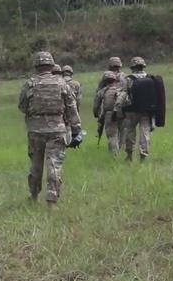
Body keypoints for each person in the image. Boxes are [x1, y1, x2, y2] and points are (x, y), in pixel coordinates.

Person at [18, 51, 82, 205]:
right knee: (54, 164)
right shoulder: (61, 84)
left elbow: (22, 106)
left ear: (36, 67)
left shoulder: (29, 84)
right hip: (57, 129)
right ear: (52, 65)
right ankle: (52, 198)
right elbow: (71, 108)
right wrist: (76, 130)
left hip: (36, 130)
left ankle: (34, 196)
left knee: (36, 165)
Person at [113, 57, 153, 162]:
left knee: (130, 132)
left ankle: (129, 155)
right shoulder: (149, 78)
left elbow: (123, 94)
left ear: (132, 67)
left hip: (132, 111)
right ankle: (143, 156)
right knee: (145, 133)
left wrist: (117, 108)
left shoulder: (129, 79)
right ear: (143, 66)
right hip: (146, 111)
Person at [93, 71, 123, 157]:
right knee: (121, 134)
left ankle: (115, 155)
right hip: (122, 114)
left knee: (112, 136)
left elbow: (96, 105)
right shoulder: (120, 89)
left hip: (110, 114)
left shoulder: (102, 91)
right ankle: (121, 150)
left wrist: (97, 115)